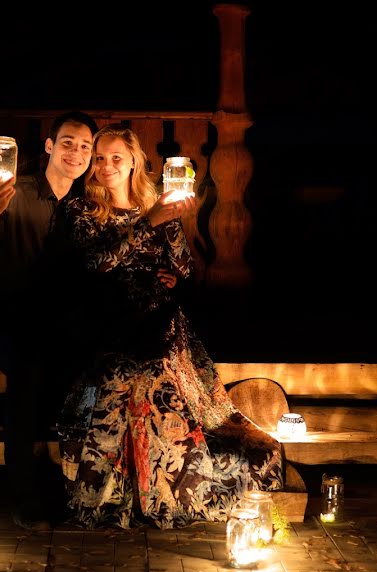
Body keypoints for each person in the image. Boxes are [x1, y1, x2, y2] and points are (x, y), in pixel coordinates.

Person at [55, 124, 284, 530]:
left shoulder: (154, 203)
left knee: (164, 384)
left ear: (134, 164)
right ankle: (121, 489)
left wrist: (172, 263)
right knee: (125, 378)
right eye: (101, 158)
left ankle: (168, 484)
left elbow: (183, 266)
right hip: (111, 326)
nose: (107, 166)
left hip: (160, 325)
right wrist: (148, 223)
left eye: (117, 159)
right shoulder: (82, 210)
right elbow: (96, 265)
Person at [0, 111, 99, 531]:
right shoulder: (14, 192)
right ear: (48, 146)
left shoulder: (87, 206)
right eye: (67, 143)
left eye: (84, 146)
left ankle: (81, 493)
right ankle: (25, 497)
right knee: (28, 368)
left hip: (61, 323)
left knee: (93, 366)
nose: (76, 153)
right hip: (9, 320)